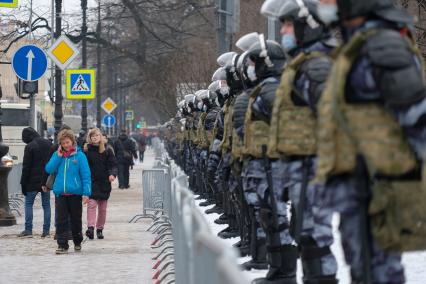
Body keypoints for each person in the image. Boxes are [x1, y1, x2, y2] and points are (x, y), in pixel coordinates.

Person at [314, 0, 426, 283]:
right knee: (364, 271)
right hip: (359, 190)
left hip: (380, 189)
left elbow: (418, 120)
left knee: (380, 273)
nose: (322, 5)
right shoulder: (359, 45)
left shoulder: (383, 47)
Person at [45, 129, 91, 254]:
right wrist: (58, 157)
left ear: (72, 141)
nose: (66, 145)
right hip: (60, 193)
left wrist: (86, 193)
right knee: (60, 221)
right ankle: (62, 245)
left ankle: (77, 241)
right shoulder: (57, 155)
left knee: (76, 220)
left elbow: (86, 175)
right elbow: (48, 169)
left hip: (75, 194)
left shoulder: (80, 156)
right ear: (60, 143)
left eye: (68, 142)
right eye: (63, 143)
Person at [84, 128, 117, 240]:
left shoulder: (107, 150)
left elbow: (113, 165)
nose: (95, 137)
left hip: (104, 183)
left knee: (102, 209)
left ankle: (99, 229)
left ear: (101, 137)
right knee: (91, 205)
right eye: (92, 136)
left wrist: (112, 174)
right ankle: (90, 228)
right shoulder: (86, 151)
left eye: (97, 135)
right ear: (90, 137)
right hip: (91, 182)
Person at [19, 127, 52, 238]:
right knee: (46, 205)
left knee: (28, 204)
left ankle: (28, 230)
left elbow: (26, 167)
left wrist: (23, 184)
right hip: (46, 180)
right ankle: (46, 231)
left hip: (31, 182)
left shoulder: (30, 146)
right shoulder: (48, 143)